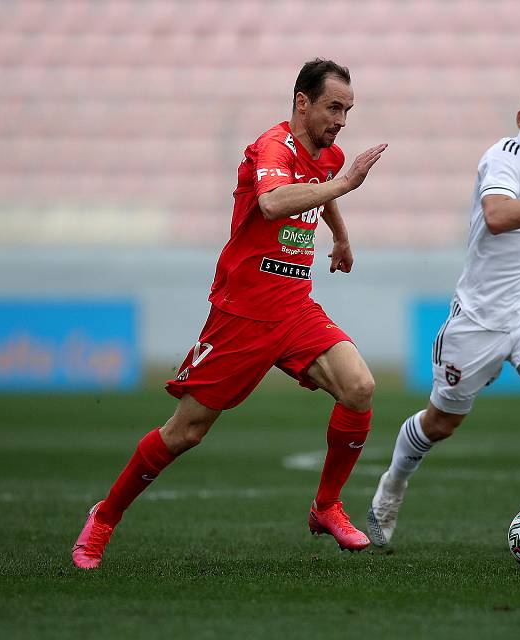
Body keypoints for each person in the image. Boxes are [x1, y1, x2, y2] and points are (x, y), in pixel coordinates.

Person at [72, 59, 388, 568]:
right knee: (186, 432)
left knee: (360, 387)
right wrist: (344, 186)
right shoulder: (271, 147)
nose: (342, 121)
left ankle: (326, 505)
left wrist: (342, 236)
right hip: (242, 314)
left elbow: (323, 184)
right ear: (302, 102)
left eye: (348, 110)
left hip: (295, 308)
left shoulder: (329, 158)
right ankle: (105, 516)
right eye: (334, 107)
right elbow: (273, 202)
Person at [366, 80, 520, 547]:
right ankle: (393, 482)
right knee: (442, 422)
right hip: (480, 320)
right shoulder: (504, 158)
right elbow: (496, 216)